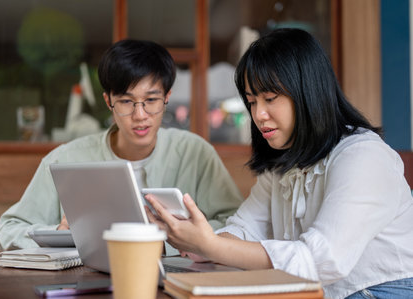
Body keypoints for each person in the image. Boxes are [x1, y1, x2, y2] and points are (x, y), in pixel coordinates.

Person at [145, 28, 413, 299]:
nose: (258, 114)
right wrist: (194, 241)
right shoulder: (284, 161)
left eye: (270, 99)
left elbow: (320, 260)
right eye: (252, 101)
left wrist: (211, 246)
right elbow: (244, 229)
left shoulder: (364, 157)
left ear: (308, 91)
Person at [0, 39, 243, 254]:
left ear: (167, 98)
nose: (140, 115)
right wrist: (59, 235)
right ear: (108, 100)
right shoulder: (64, 159)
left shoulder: (195, 153)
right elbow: (6, 232)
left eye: (151, 100)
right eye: (126, 101)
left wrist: (177, 237)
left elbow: (236, 226)